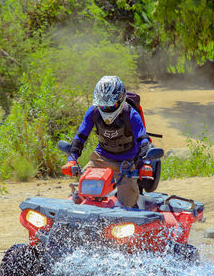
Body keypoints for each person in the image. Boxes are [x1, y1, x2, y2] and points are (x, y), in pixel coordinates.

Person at [62, 76, 152, 208]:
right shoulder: (93, 112)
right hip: (100, 159)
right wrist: (71, 160)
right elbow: (80, 137)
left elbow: (143, 140)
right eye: (102, 104)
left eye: (111, 105)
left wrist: (145, 164)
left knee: (128, 203)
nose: (106, 108)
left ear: (121, 99)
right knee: (82, 194)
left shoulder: (131, 115)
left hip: (126, 163)